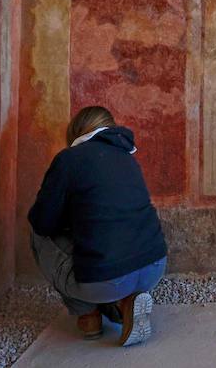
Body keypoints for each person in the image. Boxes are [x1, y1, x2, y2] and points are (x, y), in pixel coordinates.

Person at [29, 106, 169, 345]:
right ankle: (125, 303)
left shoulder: (68, 159)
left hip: (106, 280)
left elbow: (43, 222)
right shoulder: (127, 157)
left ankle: (88, 315)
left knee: (36, 232)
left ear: (75, 132)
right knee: (108, 249)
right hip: (155, 267)